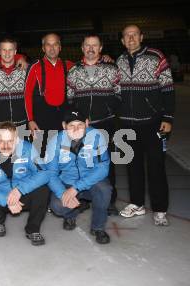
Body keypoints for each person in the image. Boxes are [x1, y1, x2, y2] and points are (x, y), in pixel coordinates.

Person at [117, 24, 175, 226]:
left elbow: (168, 89)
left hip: (153, 123)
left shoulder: (156, 56)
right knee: (132, 166)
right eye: (127, 35)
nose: (131, 38)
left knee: (156, 167)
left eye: (134, 34)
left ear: (141, 37)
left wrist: (167, 118)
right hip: (126, 124)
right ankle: (137, 203)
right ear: (122, 40)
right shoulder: (119, 60)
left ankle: (160, 209)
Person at [66, 34, 121, 215]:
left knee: (107, 163)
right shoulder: (74, 70)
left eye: (94, 45)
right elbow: (70, 97)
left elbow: (119, 94)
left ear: (100, 48)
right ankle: (82, 198)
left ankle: (110, 201)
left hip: (106, 123)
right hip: (82, 127)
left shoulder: (112, 68)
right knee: (80, 162)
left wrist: (108, 111)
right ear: (82, 48)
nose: (90, 48)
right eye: (87, 45)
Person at [45, 108, 112, 244]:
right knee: (57, 206)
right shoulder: (55, 142)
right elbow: (50, 173)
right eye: (71, 125)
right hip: (67, 182)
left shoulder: (97, 137)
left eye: (80, 124)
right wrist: (62, 192)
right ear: (64, 126)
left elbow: (103, 168)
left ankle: (98, 227)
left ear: (87, 123)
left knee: (105, 190)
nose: (76, 129)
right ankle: (70, 215)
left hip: (91, 181)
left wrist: (76, 188)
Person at [0, 122, 52, 246]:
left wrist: (20, 190)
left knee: (43, 191)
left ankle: (32, 229)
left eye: (10, 141)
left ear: (17, 139)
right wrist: (6, 200)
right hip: (1, 196)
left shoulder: (27, 149)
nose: (6, 145)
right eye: (2, 141)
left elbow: (44, 173)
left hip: (23, 194)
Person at [24, 33, 74, 150]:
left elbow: (88, 63)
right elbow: (27, 95)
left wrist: (104, 57)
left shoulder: (70, 66)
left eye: (55, 44)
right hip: (41, 118)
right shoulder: (35, 67)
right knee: (41, 154)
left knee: (63, 152)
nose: (52, 48)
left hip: (63, 117)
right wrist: (30, 120)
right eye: (48, 45)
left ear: (60, 47)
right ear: (43, 48)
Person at [0, 38, 28, 128]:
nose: (7, 53)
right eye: (4, 50)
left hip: (22, 120)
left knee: (23, 142)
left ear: (15, 51)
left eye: (10, 50)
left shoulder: (26, 70)